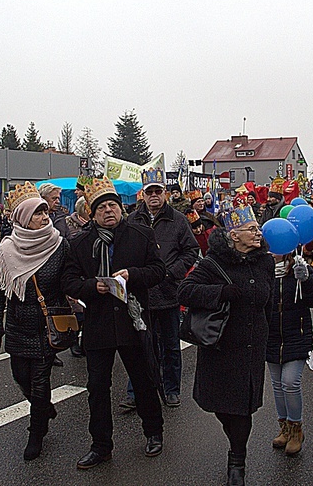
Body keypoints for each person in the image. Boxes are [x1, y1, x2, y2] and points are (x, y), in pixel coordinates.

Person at [62, 177, 166, 470]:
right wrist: (91, 287)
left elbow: (158, 271)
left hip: (133, 320)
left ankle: (154, 432)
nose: (109, 211)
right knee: (97, 387)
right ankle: (101, 445)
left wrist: (132, 275)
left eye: (113, 205)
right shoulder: (80, 242)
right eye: (102, 207)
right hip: (98, 324)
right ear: (92, 213)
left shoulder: (140, 234)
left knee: (143, 379)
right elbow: (68, 281)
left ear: (121, 208)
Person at [178, 202, 273, 485]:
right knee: (222, 406)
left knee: (244, 408)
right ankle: (235, 445)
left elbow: (269, 302)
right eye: (251, 229)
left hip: (252, 346)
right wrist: (221, 292)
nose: (258, 233)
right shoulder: (212, 263)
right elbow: (185, 291)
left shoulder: (265, 261)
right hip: (221, 347)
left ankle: (237, 460)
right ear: (234, 235)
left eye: (257, 228)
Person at [0, 182, 70, 460]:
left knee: (39, 381)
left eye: (45, 212)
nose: (44, 218)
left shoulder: (59, 245)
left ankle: (36, 433)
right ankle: (44, 407)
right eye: (38, 213)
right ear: (22, 217)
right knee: (20, 376)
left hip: (45, 325)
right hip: (18, 326)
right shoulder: (6, 249)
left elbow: (70, 280)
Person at [127, 168, 199, 408]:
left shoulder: (177, 220)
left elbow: (191, 250)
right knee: (141, 344)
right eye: (150, 192)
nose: (154, 196)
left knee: (169, 345)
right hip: (142, 293)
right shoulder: (133, 220)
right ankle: (137, 391)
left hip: (168, 292)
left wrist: (172, 273)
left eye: (158, 191)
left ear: (165, 193)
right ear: (143, 195)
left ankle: (171, 389)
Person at [267, 251, 313, 457]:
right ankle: (284, 427)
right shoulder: (262, 269)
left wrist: (306, 280)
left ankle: (296, 429)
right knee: (277, 384)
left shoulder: (300, 266)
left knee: (290, 382)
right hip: (270, 336)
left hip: (297, 333)